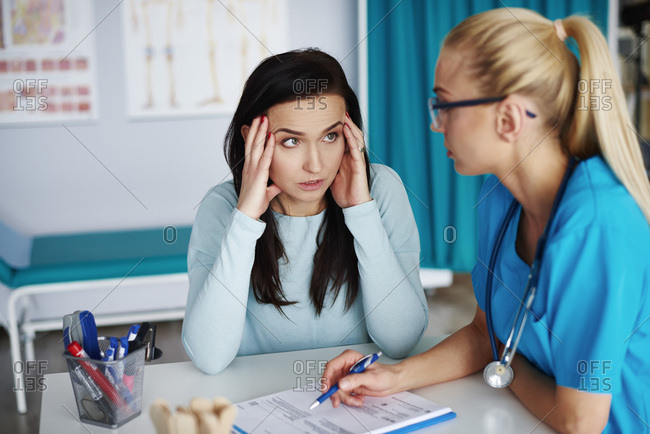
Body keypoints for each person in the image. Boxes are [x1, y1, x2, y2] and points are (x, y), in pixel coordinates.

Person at [320, 8, 650, 433]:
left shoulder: (596, 225)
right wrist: (395, 378)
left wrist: (504, 366)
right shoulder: (500, 192)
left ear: (509, 119)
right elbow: (484, 333)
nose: (436, 125)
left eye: (445, 105)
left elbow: (578, 422)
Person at [182, 49, 429, 375]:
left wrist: (361, 212)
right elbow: (209, 357)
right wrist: (245, 220)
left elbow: (401, 340)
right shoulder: (224, 205)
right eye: (291, 142)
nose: (316, 165)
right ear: (251, 139)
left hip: (356, 399)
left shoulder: (379, 189)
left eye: (330, 136)